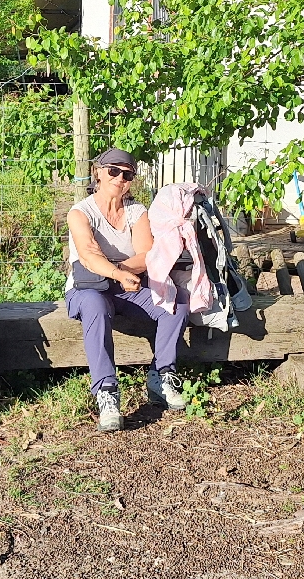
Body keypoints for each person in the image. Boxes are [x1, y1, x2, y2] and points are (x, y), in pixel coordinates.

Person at [65, 147, 188, 431]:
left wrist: (118, 271)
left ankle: (162, 375)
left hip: (126, 285)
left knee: (177, 300)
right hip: (88, 289)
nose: (120, 178)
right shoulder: (80, 212)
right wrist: (117, 270)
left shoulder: (137, 211)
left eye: (127, 174)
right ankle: (106, 392)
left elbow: (146, 254)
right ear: (97, 172)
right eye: (113, 171)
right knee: (95, 305)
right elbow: (87, 256)